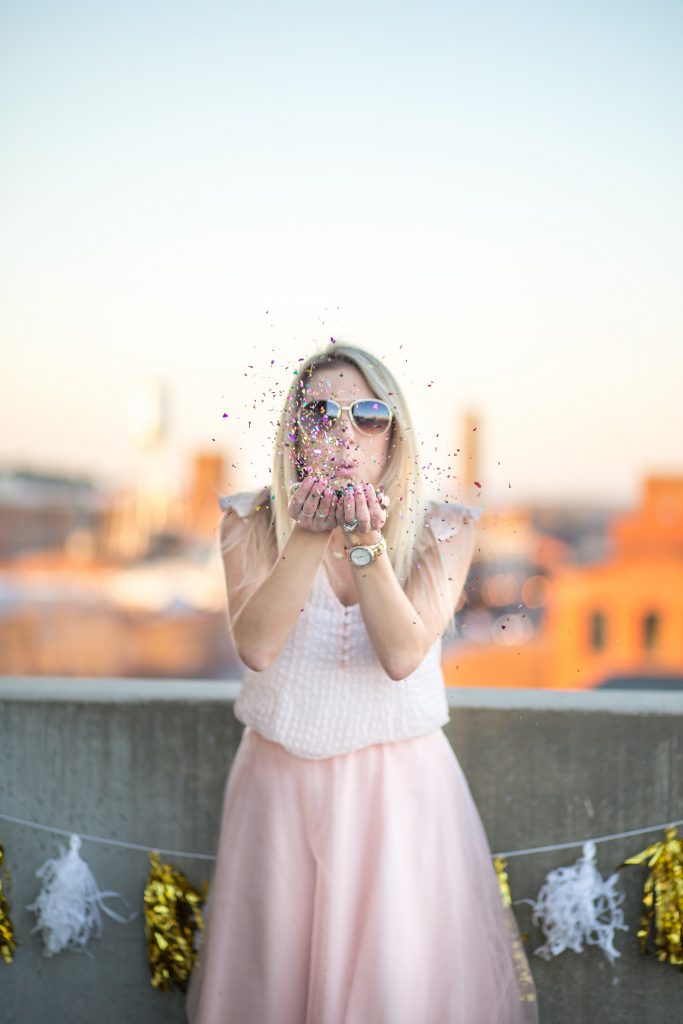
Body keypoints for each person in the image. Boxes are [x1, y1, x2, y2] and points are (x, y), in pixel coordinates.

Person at [186, 342, 538, 1023]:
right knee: (272, 981)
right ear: (294, 435)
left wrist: (364, 543)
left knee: (394, 984)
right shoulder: (247, 519)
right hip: (278, 787)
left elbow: (402, 653)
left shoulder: (444, 527)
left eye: (368, 414)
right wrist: (309, 536)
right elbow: (256, 646)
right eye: (319, 413)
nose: (344, 432)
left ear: (392, 436)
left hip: (397, 793)